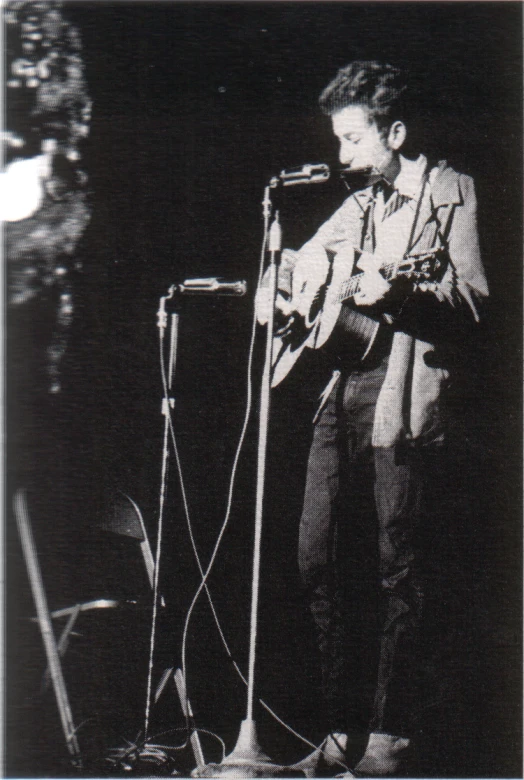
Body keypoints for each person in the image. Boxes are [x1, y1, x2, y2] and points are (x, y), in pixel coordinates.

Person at [259, 61, 488, 777]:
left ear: (395, 132)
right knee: (315, 554)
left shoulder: (452, 193)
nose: (342, 156)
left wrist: (398, 294)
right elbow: (295, 269)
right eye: (339, 140)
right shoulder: (358, 203)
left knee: (398, 561)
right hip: (342, 390)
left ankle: (389, 734)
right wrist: (284, 289)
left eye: (354, 140)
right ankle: (337, 729)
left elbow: (475, 300)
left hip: (402, 392)